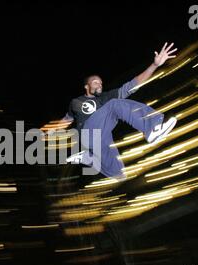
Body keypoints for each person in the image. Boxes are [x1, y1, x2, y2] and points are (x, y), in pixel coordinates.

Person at [63, 42, 178, 178]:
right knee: (114, 104)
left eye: (101, 82)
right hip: (87, 131)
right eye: (95, 82)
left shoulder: (107, 96)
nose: (99, 84)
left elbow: (133, 85)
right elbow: (66, 119)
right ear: (86, 86)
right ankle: (152, 127)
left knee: (118, 174)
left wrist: (155, 65)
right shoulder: (76, 102)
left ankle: (88, 158)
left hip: (101, 137)